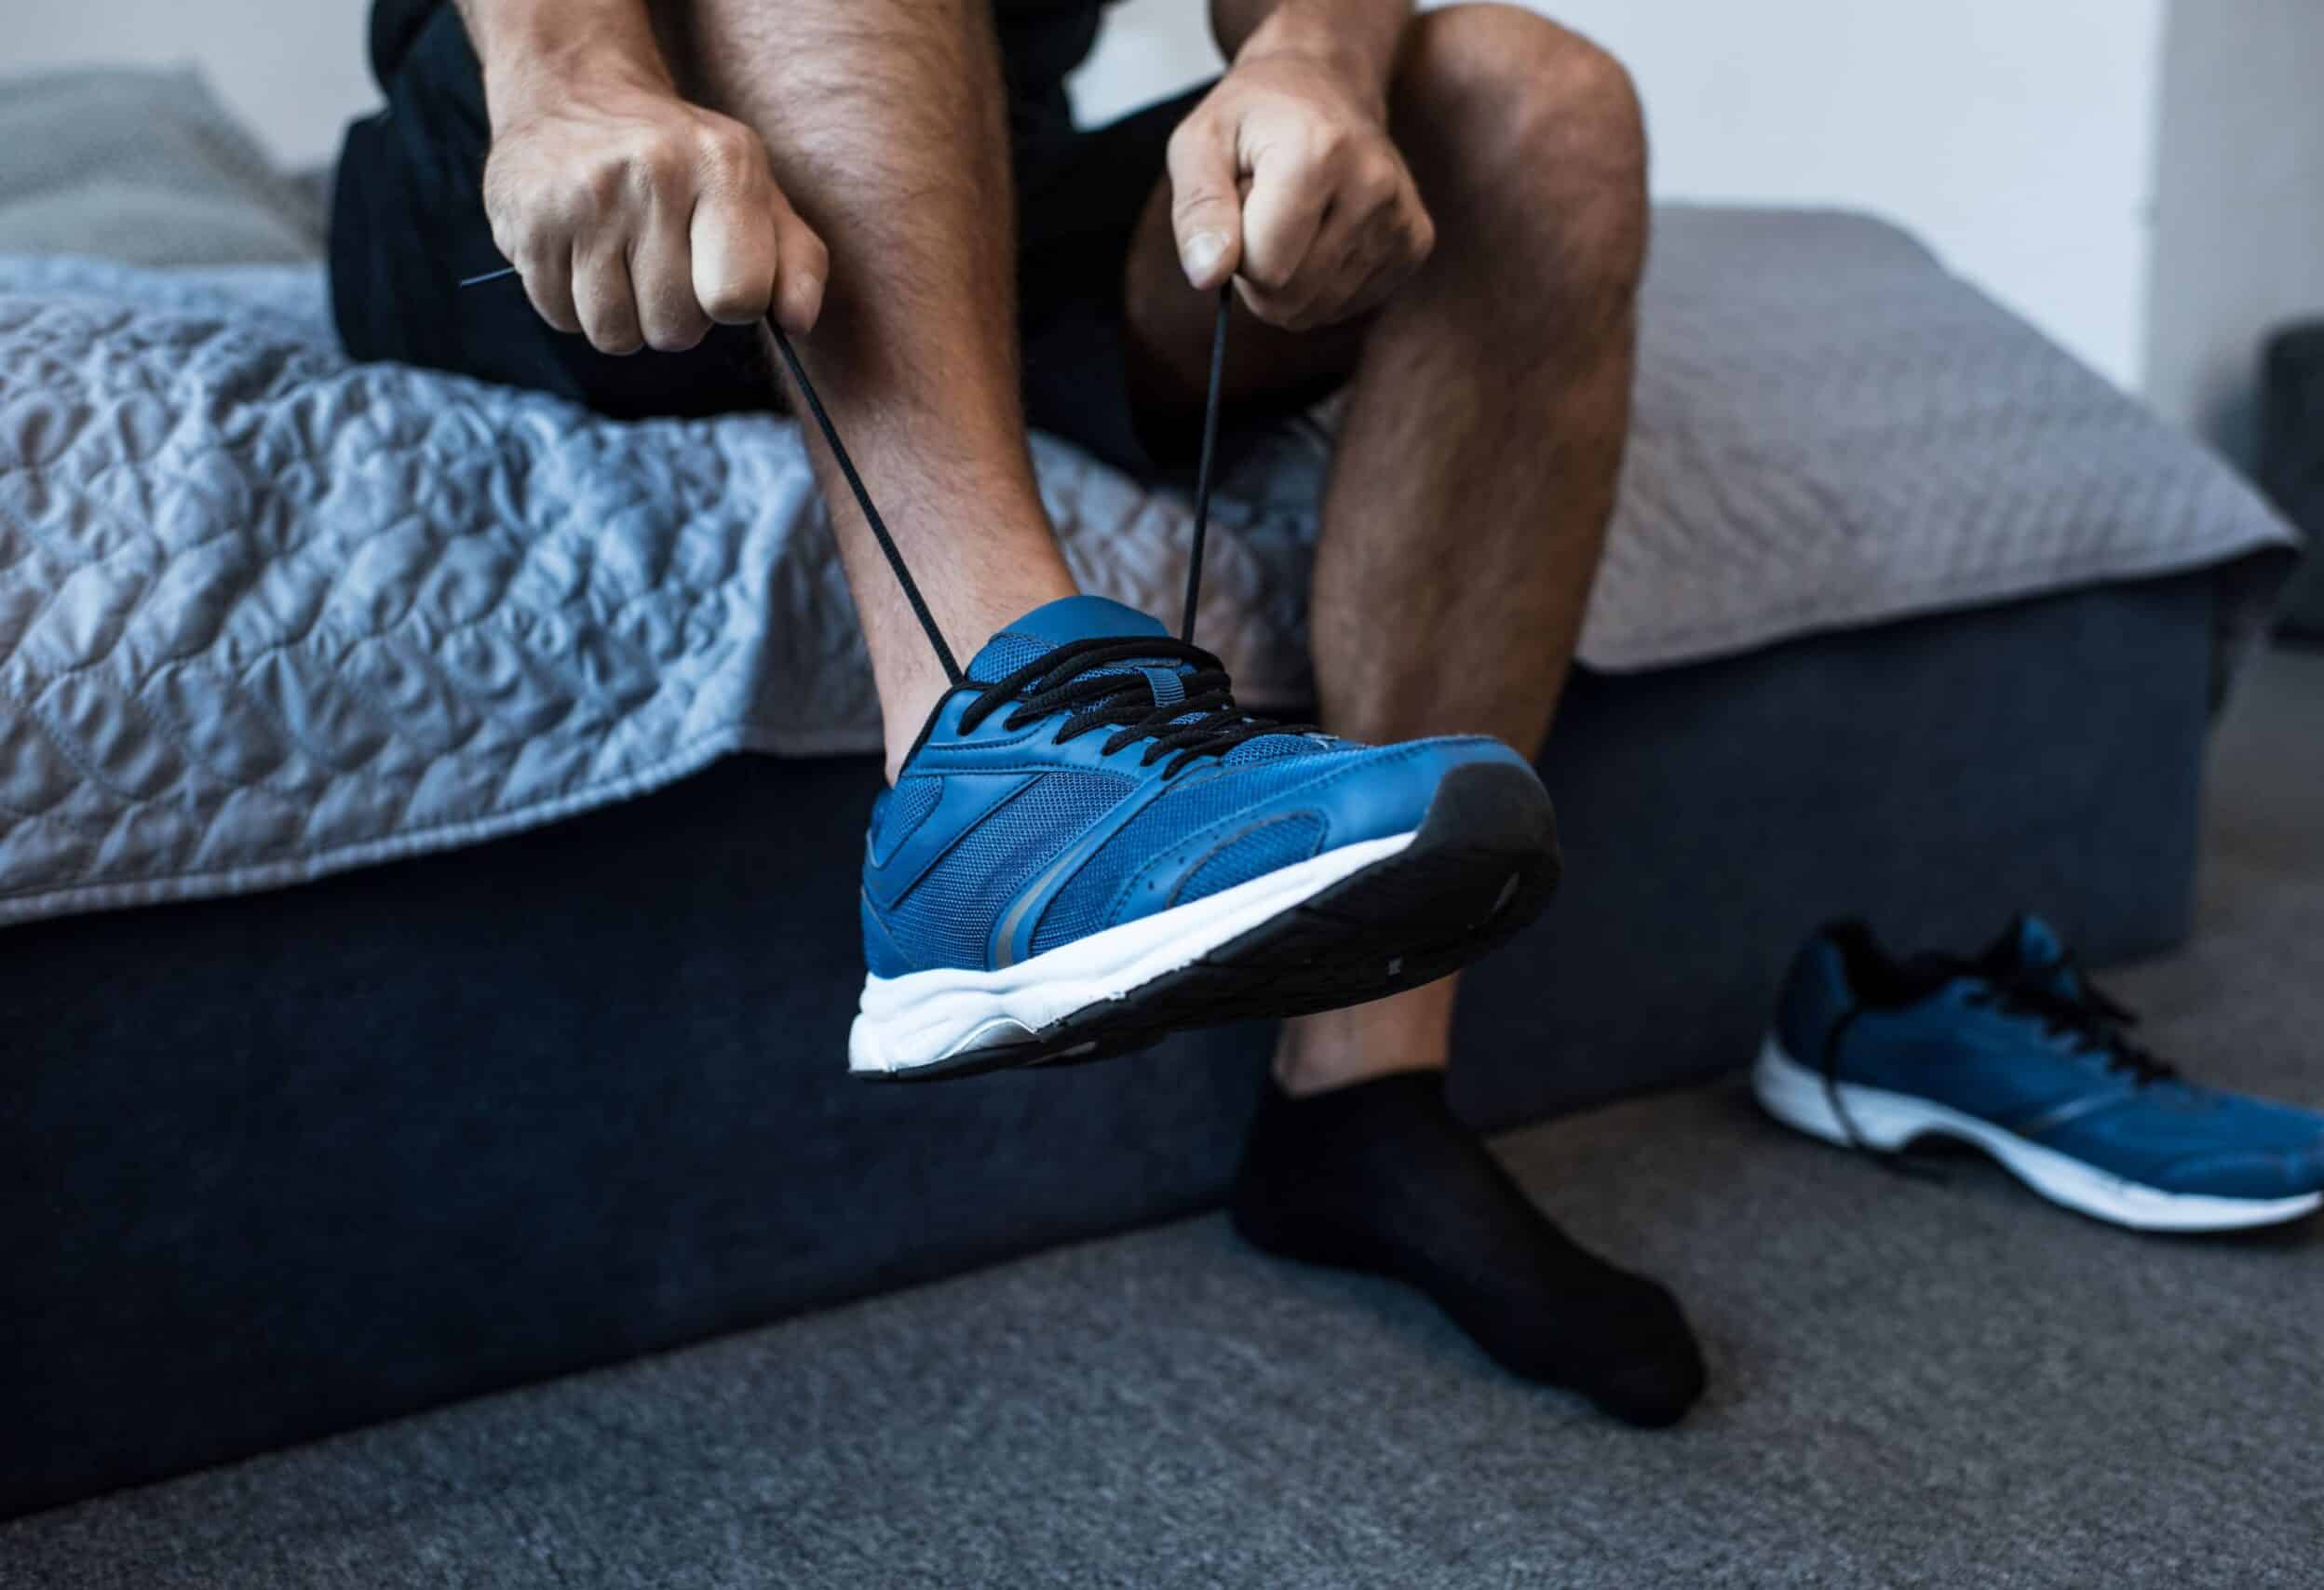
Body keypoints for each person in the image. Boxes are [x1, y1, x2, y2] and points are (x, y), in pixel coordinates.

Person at [331, 0, 1705, 1427]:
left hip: (930, 179)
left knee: (1540, 106)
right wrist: (576, 79)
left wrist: (1314, 65)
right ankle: (992, 771)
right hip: (546, 174)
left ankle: (1360, 1102)